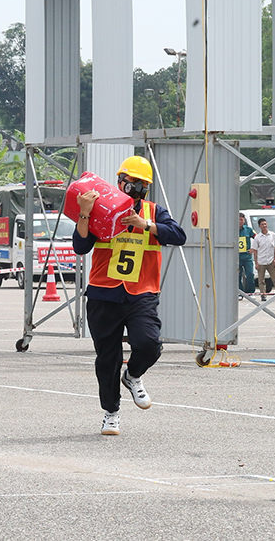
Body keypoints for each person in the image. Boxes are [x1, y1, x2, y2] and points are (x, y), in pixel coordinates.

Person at [71, 156, 186, 436]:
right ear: (119, 181)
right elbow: (80, 246)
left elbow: (178, 235)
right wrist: (85, 212)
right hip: (104, 293)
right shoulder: (102, 209)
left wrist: (145, 224)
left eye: (141, 185)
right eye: (131, 183)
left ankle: (133, 375)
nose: (135, 189)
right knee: (106, 359)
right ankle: (111, 413)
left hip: (141, 292)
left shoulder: (153, 211)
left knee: (149, 343)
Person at [250, 218, 275, 301]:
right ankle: (263, 295)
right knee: (261, 280)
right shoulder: (257, 238)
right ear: (259, 226)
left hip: (271, 261)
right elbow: (255, 251)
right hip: (261, 261)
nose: (264, 226)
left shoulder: (272, 235)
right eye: (262, 225)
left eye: (265, 224)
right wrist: (256, 263)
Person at [237, 213, 256, 294]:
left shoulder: (249, 229)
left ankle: (250, 292)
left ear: (244, 220)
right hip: (236, 257)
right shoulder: (231, 230)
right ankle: (240, 292)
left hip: (247, 257)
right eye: (238, 219)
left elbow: (258, 238)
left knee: (250, 274)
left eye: (241, 219)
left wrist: (254, 248)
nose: (240, 221)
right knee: (237, 275)